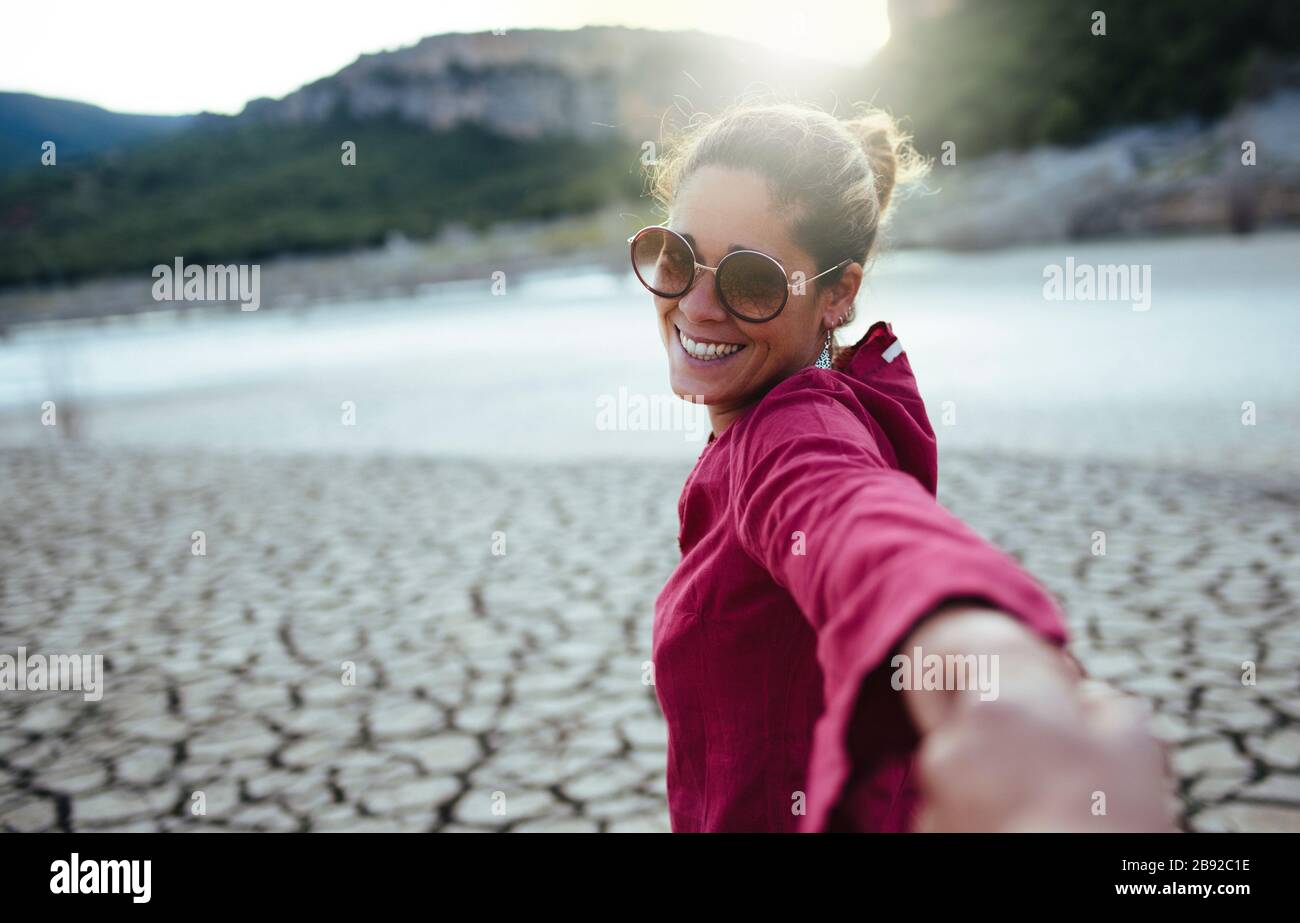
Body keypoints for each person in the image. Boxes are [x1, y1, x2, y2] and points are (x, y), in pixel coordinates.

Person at [629, 100, 1175, 832]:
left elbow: (855, 521)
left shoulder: (790, 433)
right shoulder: (795, 410)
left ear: (839, 294)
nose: (696, 304)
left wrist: (998, 671)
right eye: (677, 257)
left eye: (751, 281)